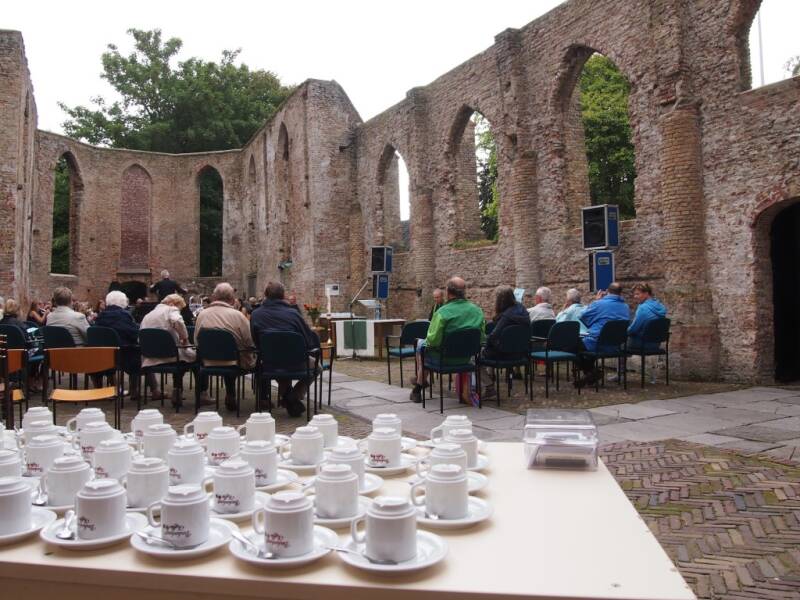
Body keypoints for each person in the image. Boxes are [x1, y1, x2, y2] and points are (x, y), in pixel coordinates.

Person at [410, 277, 485, 404]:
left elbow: (433, 341)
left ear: (448, 292)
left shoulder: (442, 313)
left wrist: (425, 343)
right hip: (466, 359)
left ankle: (418, 387)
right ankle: (420, 382)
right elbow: (481, 338)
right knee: (423, 348)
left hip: (443, 359)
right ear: (464, 292)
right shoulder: (477, 311)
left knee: (420, 346)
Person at [250, 281, 320, 417]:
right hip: (296, 362)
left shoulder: (256, 314)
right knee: (318, 368)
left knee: (277, 365)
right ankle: (293, 396)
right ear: (283, 296)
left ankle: (289, 396)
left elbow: (256, 340)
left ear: (265, 295)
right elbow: (309, 341)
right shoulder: (293, 314)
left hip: (269, 363)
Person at [195, 283, 255, 411]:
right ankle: (233, 395)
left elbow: (196, 340)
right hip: (235, 362)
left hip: (207, 361)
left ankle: (227, 394)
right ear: (232, 299)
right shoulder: (238, 315)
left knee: (229, 353)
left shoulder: (202, 314)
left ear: (214, 297)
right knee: (235, 354)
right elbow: (249, 341)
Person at [141, 294, 196, 407]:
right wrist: (185, 338)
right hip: (170, 355)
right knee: (193, 359)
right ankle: (184, 391)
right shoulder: (171, 310)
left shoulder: (148, 315)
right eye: (179, 308)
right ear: (173, 304)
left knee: (183, 359)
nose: (179, 311)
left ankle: (177, 390)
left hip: (151, 357)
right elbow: (178, 320)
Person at [93, 291, 146, 401]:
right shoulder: (124, 315)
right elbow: (133, 333)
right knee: (138, 352)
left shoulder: (100, 316)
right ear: (123, 302)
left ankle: (103, 389)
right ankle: (134, 390)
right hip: (124, 354)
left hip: (104, 354)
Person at [480, 285, 530, 399]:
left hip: (503, 354)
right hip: (521, 354)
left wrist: (485, 344)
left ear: (500, 300)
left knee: (474, 358)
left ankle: (489, 387)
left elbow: (493, 336)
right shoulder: (523, 311)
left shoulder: (506, 316)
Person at [577, 282, 631, 385]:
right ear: (620, 293)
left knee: (573, 345)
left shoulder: (599, 304)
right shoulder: (625, 307)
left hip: (597, 344)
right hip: (615, 346)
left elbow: (582, 315)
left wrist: (596, 301)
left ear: (607, 291)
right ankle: (591, 374)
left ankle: (590, 372)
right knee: (586, 346)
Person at [627, 283, 667, 351]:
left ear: (646, 293)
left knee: (620, 344)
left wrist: (623, 332)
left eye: (637, 294)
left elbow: (633, 330)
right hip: (656, 344)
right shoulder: (661, 306)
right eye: (634, 294)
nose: (635, 296)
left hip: (642, 343)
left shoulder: (643, 308)